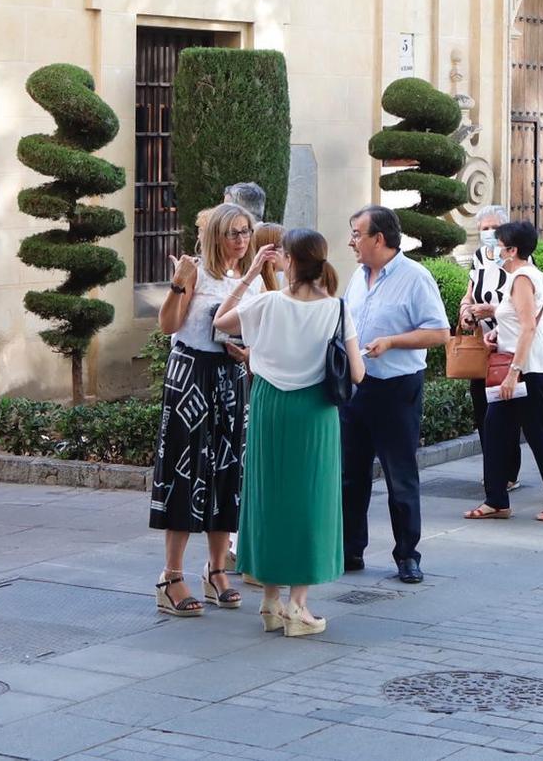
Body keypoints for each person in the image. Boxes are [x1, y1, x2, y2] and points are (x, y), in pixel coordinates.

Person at [214, 228, 361, 637]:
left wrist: (248, 277)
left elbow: (221, 322)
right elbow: (358, 372)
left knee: (267, 496)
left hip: (268, 406)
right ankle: (298, 606)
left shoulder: (266, 303)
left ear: (289, 262)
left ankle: (269, 600)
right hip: (314, 411)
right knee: (310, 499)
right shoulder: (337, 309)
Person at [150, 201, 261, 617]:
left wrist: (246, 350)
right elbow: (168, 325)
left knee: (227, 472)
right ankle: (170, 576)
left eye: (246, 232)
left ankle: (217, 570)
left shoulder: (246, 277)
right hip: (190, 374)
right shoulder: (195, 270)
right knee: (184, 470)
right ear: (215, 235)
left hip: (230, 377)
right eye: (233, 233)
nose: (240, 241)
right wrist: (179, 283)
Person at [343, 205, 451, 584]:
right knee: (350, 475)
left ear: (379, 238)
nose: (351, 241)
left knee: (399, 475)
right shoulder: (356, 278)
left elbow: (439, 332)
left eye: (357, 233)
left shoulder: (415, 277)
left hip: (397, 389)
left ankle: (407, 555)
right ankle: (350, 550)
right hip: (356, 387)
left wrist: (392, 341)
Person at [463, 220, 543, 524]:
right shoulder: (522, 276)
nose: (496, 249)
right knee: (495, 430)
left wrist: (515, 372)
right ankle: (496, 500)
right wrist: (497, 334)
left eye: (500, 245)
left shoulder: (523, 278)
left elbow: (529, 325)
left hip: (525, 368)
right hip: (516, 364)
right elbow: (520, 322)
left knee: (537, 434)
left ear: (513, 250)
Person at [456, 204, 511, 455]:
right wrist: (466, 312)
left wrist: (492, 311)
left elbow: (523, 303)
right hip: (481, 345)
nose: (490, 233)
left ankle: (508, 471)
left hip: (507, 342)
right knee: (482, 407)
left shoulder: (515, 257)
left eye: (495, 228)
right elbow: (468, 296)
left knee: (504, 408)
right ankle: (491, 466)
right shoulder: (479, 257)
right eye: (485, 228)